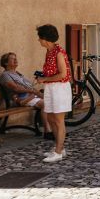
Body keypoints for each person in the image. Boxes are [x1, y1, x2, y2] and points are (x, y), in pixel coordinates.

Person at [35, 24, 71, 163]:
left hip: (60, 88)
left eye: (40, 38)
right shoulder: (49, 51)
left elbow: (63, 74)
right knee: (50, 118)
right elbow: (52, 72)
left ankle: (58, 151)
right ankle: (60, 148)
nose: (38, 41)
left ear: (45, 39)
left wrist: (45, 78)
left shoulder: (59, 52)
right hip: (51, 87)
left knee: (58, 120)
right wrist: (42, 77)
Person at [0, 52, 51, 137]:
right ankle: (48, 132)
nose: (16, 60)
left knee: (53, 101)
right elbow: (16, 88)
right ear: (6, 63)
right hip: (22, 99)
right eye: (12, 59)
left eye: (16, 58)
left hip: (30, 96)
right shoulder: (5, 75)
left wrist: (35, 91)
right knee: (45, 104)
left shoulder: (18, 74)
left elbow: (28, 86)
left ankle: (57, 129)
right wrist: (32, 91)